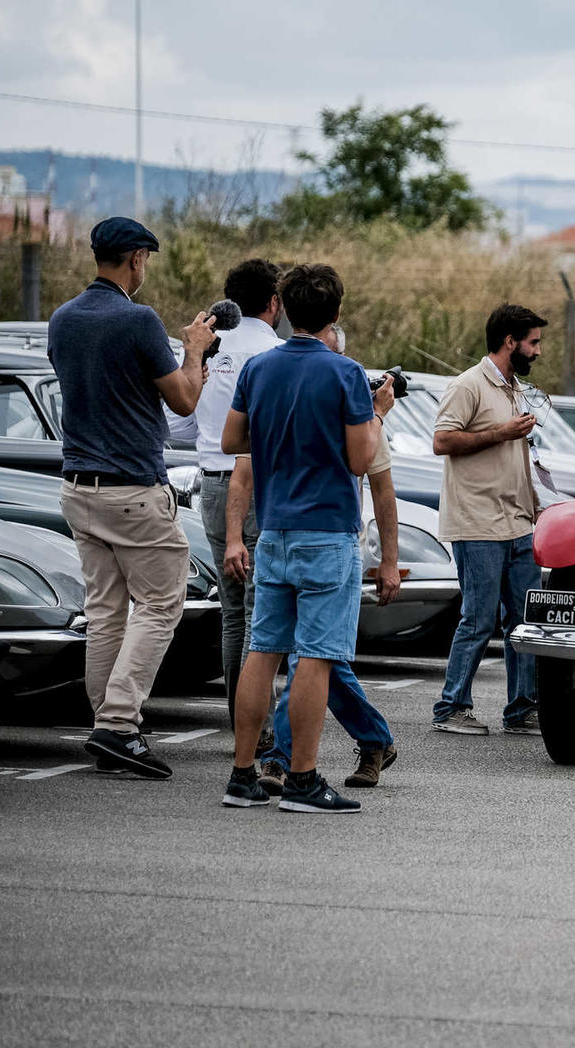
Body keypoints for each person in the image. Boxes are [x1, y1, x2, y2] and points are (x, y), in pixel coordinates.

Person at [48, 217, 217, 779]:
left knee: (105, 612)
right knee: (162, 604)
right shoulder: (139, 320)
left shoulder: (62, 319)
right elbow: (186, 401)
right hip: (133, 489)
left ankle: (108, 723)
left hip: (78, 485)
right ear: (138, 259)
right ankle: (119, 724)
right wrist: (195, 350)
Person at [219, 263, 390, 814]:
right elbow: (362, 458)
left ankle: (243, 774)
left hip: (273, 530)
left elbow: (230, 440)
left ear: (285, 308)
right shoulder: (345, 373)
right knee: (315, 657)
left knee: (261, 651)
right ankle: (302, 781)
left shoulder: (260, 368)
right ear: (335, 312)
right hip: (326, 529)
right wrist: (376, 414)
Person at [430, 304, 546, 735]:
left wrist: (536, 505)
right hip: (477, 523)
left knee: (525, 620)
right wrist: (501, 432)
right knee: (478, 619)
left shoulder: (514, 387)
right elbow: (442, 440)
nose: (538, 351)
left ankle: (521, 710)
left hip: (518, 523)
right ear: (510, 342)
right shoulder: (468, 385)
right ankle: (451, 708)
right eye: (533, 342)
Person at [180, 259, 282, 733]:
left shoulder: (210, 349)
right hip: (258, 482)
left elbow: (178, 422)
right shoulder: (274, 354)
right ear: (274, 302)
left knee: (233, 610)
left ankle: (240, 724)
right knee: (262, 613)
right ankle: (256, 729)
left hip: (211, 486)